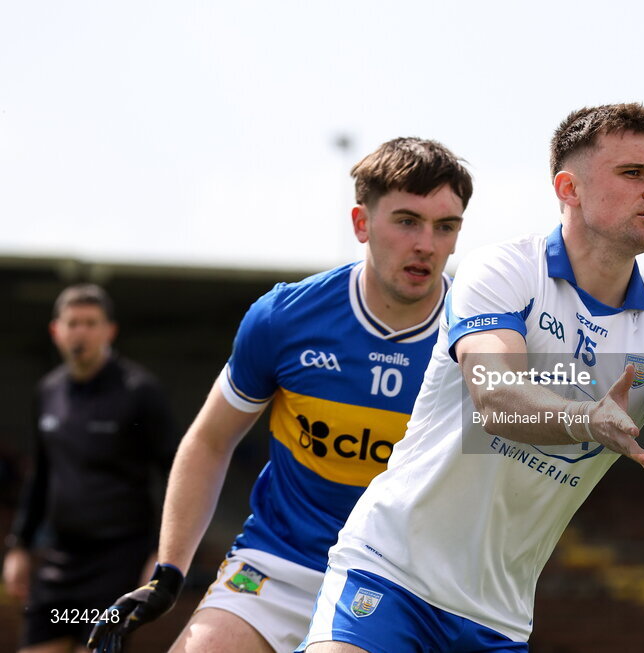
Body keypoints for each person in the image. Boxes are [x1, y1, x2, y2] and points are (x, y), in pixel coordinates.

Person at [301, 103, 644, 652]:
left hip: (496, 618)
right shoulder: (504, 270)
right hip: (390, 570)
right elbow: (495, 396)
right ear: (568, 187)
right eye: (633, 173)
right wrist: (586, 421)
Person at [87, 137, 474, 653]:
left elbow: (555, 425)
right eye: (407, 221)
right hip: (278, 566)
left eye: (445, 227)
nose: (426, 243)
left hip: (399, 585)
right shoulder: (285, 318)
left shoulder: (479, 337)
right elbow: (209, 441)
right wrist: (168, 574)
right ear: (361, 224)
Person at [3, 283, 177, 653]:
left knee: (94, 647)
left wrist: (163, 554)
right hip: (58, 559)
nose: (80, 331)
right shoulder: (47, 392)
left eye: (90, 322)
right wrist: (18, 546)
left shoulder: (139, 391)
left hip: (117, 561)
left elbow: (177, 475)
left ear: (109, 330)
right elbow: (42, 474)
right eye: (73, 323)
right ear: (56, 330)